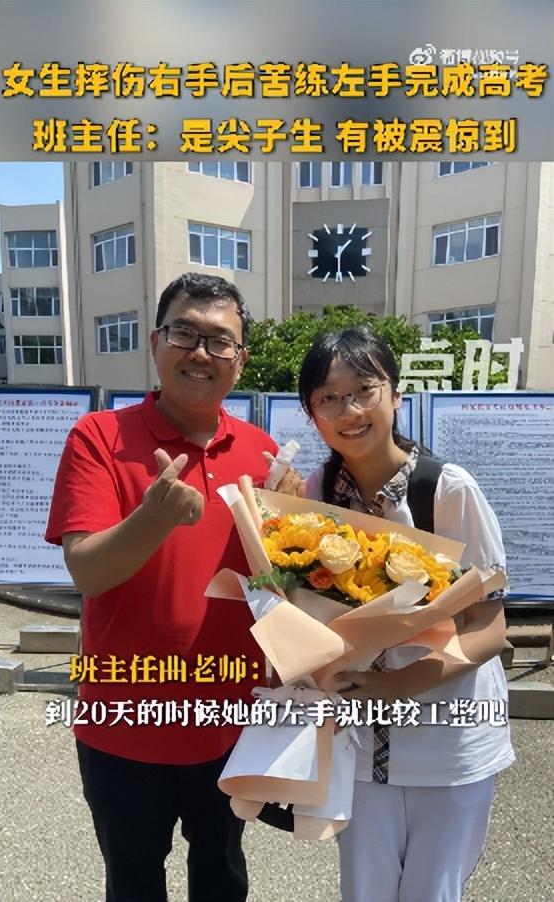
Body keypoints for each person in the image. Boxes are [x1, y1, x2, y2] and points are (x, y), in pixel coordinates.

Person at [45, 273, 279, 902]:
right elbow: (87, 571)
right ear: (155, 342)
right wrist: (153, 518)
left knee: (222, 877)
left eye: (220, 340)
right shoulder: (99, 437)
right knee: (133, 883)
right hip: (123, 720)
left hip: (230, 720)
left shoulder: (262, 455)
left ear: (240, 359)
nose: (201, 352)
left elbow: (276, 590)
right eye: (184, 333)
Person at [295, 326, 515, 902]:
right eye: (328, 398)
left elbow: (488, 628)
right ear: (312, 413)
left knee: (431, 892)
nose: (349, 410)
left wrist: (397, 686)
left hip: (448, 743)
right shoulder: (316, 492)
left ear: (395, 394)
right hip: (357, 745)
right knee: (363, 891)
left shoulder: (446, 490)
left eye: (363, 390)